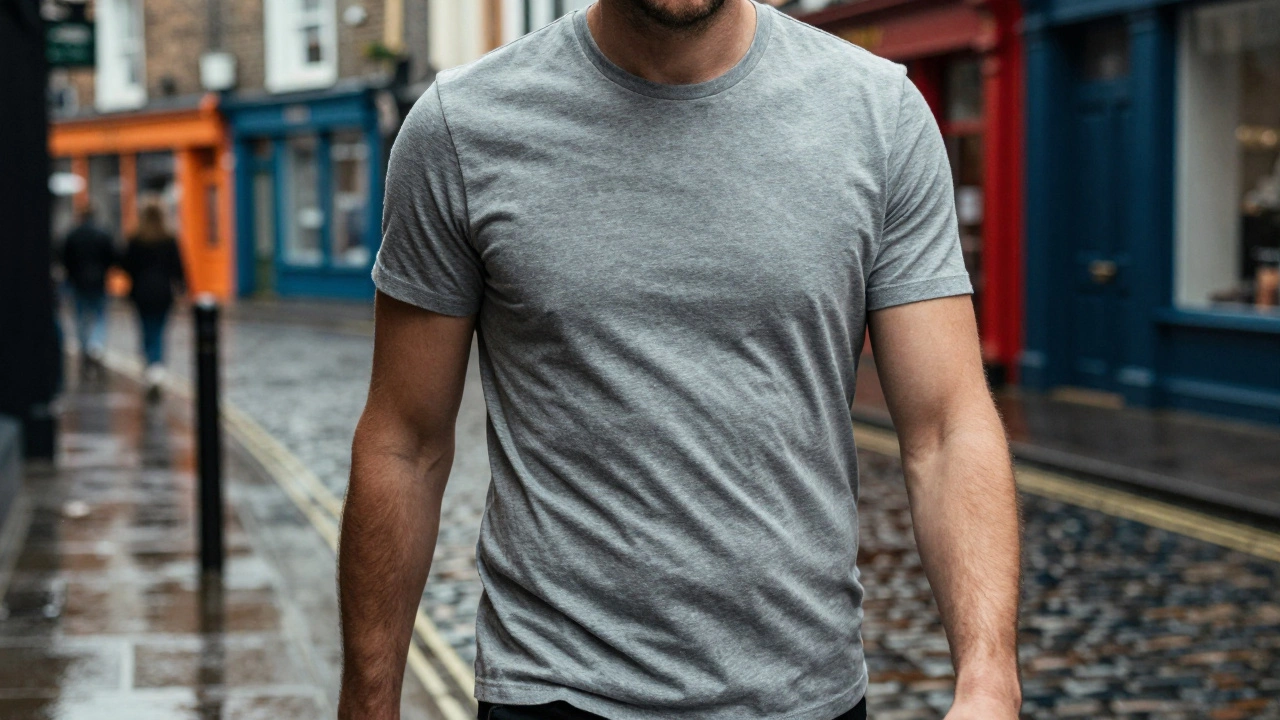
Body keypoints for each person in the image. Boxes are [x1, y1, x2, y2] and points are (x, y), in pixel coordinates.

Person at [338, 0, 1023, 718]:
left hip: (805, 695)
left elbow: (947, 428)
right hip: (556, 691)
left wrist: (988, 677)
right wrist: (367, 699)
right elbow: (404, 444)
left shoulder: (879, 115)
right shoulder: (462, 129)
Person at [120, 203, 185, 400]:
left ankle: (151, 365)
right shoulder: (169, 238)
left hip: (141, 291)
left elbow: (126, 265)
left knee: (146, 329)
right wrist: (182, 288)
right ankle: (157, 369)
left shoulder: (136, 239)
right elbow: (178, 267)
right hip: (163, 292)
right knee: (159, 329)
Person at [58, 207, 117, 379]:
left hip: (77, 282)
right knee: (100, 316)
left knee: (80, 318)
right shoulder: (103, 234)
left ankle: (85, 349)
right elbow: (111, 257)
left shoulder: (72, 235)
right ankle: (95, 345)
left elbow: (64, 258)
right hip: (98, 282)